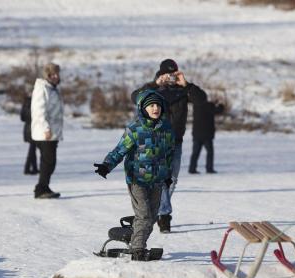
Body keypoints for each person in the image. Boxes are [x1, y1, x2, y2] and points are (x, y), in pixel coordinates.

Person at [94, 90, 175, 261]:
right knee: (145, 216)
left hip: (157, 181)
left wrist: (167, 175)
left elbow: (169, 154)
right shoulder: (135, 129)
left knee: (152, 218)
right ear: (143, 109)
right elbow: (120, 150)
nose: (155, 109)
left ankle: (135, 228)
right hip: (137, 179)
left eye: (158, 105)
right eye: (151, 105)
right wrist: (106, 165)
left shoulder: (166, 129)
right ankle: (138, 248)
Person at [131, 59, 208, 233]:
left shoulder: (183, 90)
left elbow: (202, 101)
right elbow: (135, 97)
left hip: (176, 142)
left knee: (172, 180)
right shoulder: (153, 90)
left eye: (174, 74)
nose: (171, 78)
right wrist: (154, 84)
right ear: (161, 74)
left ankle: (158, 209)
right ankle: (164, 215)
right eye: (169, 75)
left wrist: (187, 84)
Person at [31, 62, 64, 199]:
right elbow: (39, 111)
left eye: (57, 74)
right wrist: (46, 128)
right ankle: (41, 189)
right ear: (47, 76)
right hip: (45, 133)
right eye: (52, 74)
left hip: (53, 132)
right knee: (48, 161)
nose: (55, 76)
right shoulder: (42, 88)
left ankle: (44, 187)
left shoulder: (52, 88)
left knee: (50, 162)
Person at [188, 101, 224, 174]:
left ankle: (192, 169)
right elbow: (218, 110)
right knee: (210, 152)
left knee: (195, 153)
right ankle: (209, 169)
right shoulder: (210, 106)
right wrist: (220, 105)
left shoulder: (196, 106)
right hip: (207, 135)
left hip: (196, 134)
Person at [20, 94, 38, 175]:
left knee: (33, 148)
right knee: (32, 149)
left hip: (27, 128)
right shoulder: (34, 103)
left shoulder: (25, 103)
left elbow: (22, 118)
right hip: (33, 129)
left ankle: (34, 168)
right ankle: (27, 168)